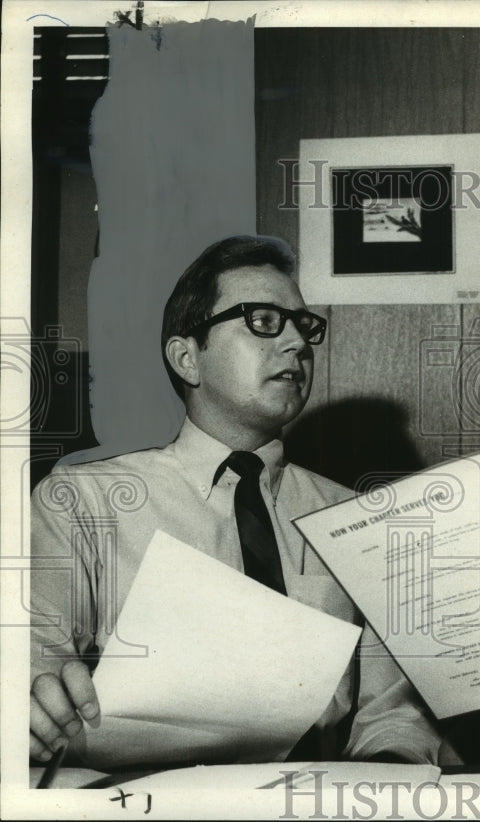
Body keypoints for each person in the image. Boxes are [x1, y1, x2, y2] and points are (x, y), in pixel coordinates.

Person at [29, 235, 449, 766]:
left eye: (304, 326)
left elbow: (391, 715)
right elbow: (30, 661)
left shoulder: (355, 520)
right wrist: (30, 702)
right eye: (264, 321)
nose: (298, 343)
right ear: (187, 358)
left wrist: (387, 771)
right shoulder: (81, 504)